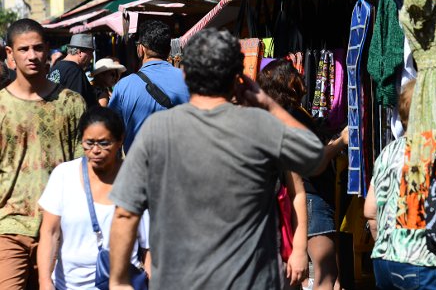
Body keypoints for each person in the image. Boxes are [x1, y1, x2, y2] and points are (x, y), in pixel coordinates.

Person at [108, 28, 327, 289]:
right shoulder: (259, 126)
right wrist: (267, 103)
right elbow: (315, 155)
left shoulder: (157, 130)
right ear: (238, 78)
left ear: (185, 73)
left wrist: (119, 280)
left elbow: (125, 213)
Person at [0, 19, 86, 289]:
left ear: (48, 49)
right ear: (9, 54)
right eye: (23, 49)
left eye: (38, 48)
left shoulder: (71, 103)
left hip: (60, 229)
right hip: (8, 227)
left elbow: (84, 166)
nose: (32, 56)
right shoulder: (1, 106)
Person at [258, 59, 348, 290]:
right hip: (311, 196)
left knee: (316, 275)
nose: (302, 77)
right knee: (325, 274)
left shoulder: (276, 114)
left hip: (304, 196)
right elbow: (313, 163)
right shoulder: (292, 114)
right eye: (296, 74)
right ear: (288, 81)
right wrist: (340, 143)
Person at [37, 107, 150, 290]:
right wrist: (45, 281)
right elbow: (49, 233)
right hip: (69, 285)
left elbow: (148, 245)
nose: (95, 150)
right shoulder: (64, 175)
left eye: (104, 143)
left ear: (120, 140)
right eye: (89, 143)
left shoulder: (136, 179)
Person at [364, 80, 436, 290]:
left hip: (384, 261)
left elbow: (370, 211)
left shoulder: (387, 152)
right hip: (422, 261)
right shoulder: (435, 152)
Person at [109, 20, 189, 152]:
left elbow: (111, 132)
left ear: (140, 49)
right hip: (181, 166)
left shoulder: (123, 86)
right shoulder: (189, 80)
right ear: (169, 50)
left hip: (139, 167)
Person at [48, 33, 97, 107]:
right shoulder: (75, 71)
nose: (91, 58)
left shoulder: (56, 67)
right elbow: (77, 105)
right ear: (80, 52)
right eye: (90, 53)